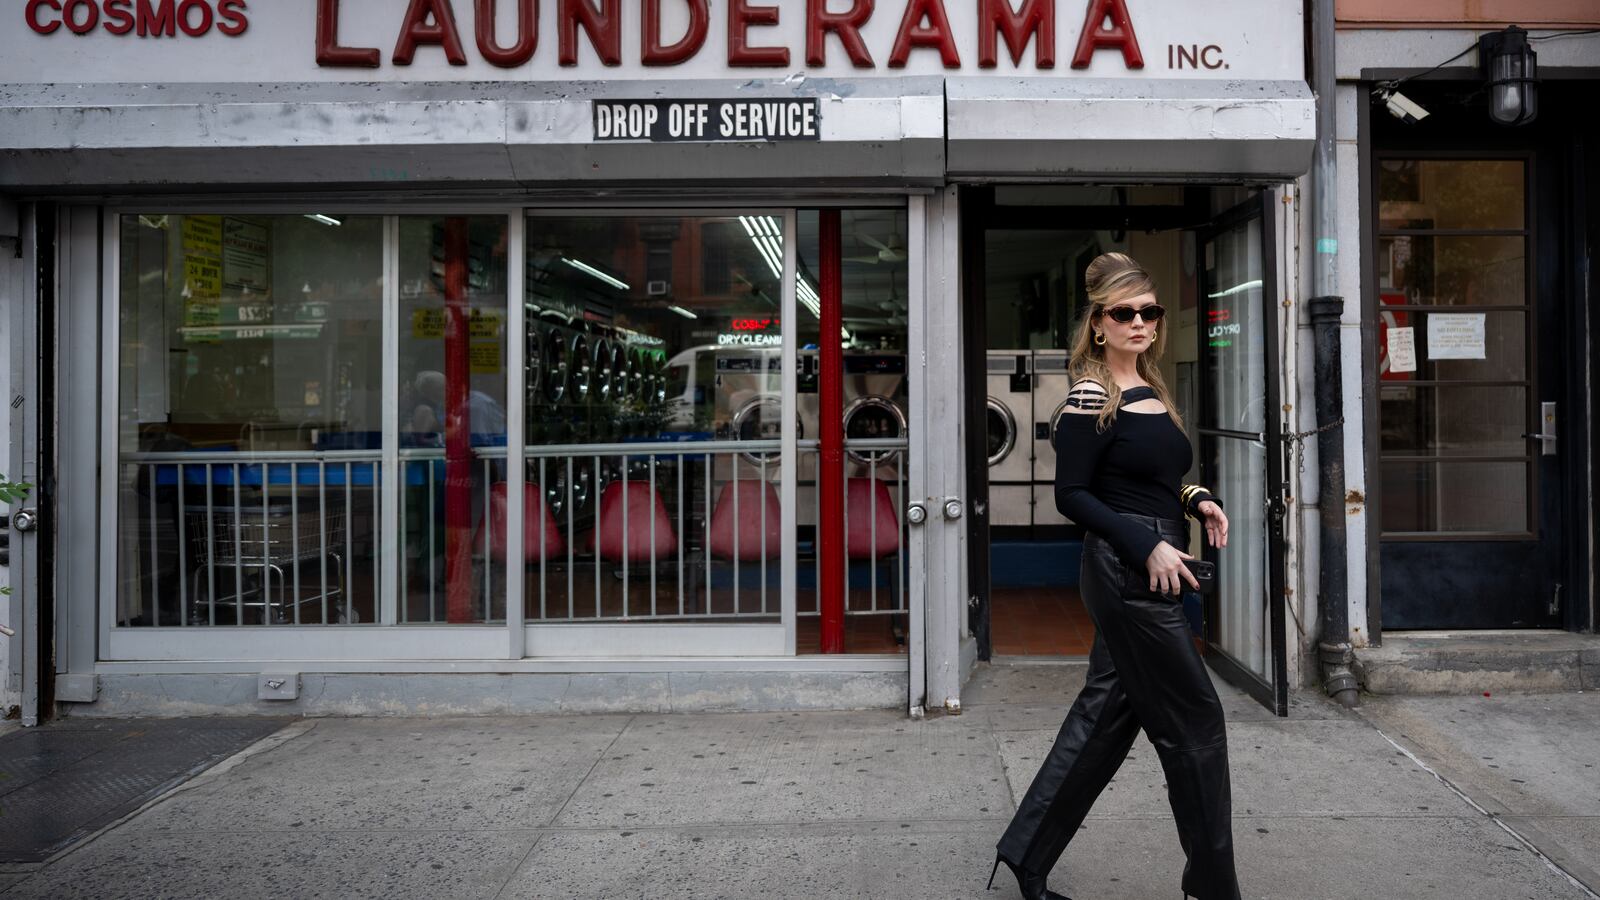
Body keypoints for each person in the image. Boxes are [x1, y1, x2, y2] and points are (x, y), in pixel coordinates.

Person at [990, 252, 1238, 900]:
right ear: (1099, 324)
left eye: (1148, 312)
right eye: (1123, 313)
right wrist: (1147, 548)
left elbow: (1153, 481)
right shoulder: (1091, 392)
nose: (1139, 322)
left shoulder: (1148, 388)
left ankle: (1025, 854)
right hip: (1131, 573)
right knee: (1199, 724)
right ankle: (1213, 890)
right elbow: (1072, 493)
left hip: (1154, 563)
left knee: (1105, 716)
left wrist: (1196, 501)